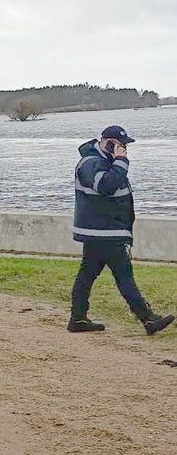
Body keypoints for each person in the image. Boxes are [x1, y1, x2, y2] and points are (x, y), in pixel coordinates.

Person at [69, 126, 174, 335]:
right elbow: (106, 186)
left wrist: (117, 162)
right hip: (106, 231)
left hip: (102, 230)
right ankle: (147, 319)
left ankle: (78, 318)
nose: (125, 149)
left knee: (87, 274)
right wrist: (121, 161)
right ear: (109, 143)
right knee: (124, 275)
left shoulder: (102, 162)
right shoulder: (92, 163)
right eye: (121, 145)